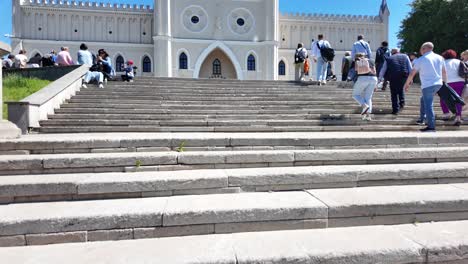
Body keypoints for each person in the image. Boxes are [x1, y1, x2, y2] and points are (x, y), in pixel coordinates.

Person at [404, 42, 447, 132]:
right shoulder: (440, 58)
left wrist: (407, 84)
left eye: (421, 49)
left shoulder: (422, 59)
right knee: (423, 100)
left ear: (424, 49)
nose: (420, 51)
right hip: (438, 83)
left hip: (428, 84)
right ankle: (421, 118)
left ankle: (431, 126)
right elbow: (444, 72)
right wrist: (445, 83)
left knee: (429, 105)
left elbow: (412, 73)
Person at [379, 48, 412, 115]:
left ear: (392, 52)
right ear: (398, 51)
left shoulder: (389, 58)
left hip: (393, 76)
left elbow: (383, 69)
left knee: (394, 93)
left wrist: (380, 78)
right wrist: (411, 78)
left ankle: (395, 110)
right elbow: (410, 67)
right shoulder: (405, 56)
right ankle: (402, 103)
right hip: (403, 75)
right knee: (401, 89)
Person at [439, 49, 465, 126]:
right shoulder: (459, 61)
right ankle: (458, 117)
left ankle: (446, 113)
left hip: (446, 82)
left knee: (443, 97)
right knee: (458, 99)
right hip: (459, 81)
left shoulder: (442, 62)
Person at [352, 53, 378, 121]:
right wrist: (376, 84)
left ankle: (364, 106)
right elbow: (374, 71)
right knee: (368, 97)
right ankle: (368, 115)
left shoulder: (358, 60)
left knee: (356, 94)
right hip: (373, 78)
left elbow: (356, 69)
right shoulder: (371, 61)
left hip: (363, 78)